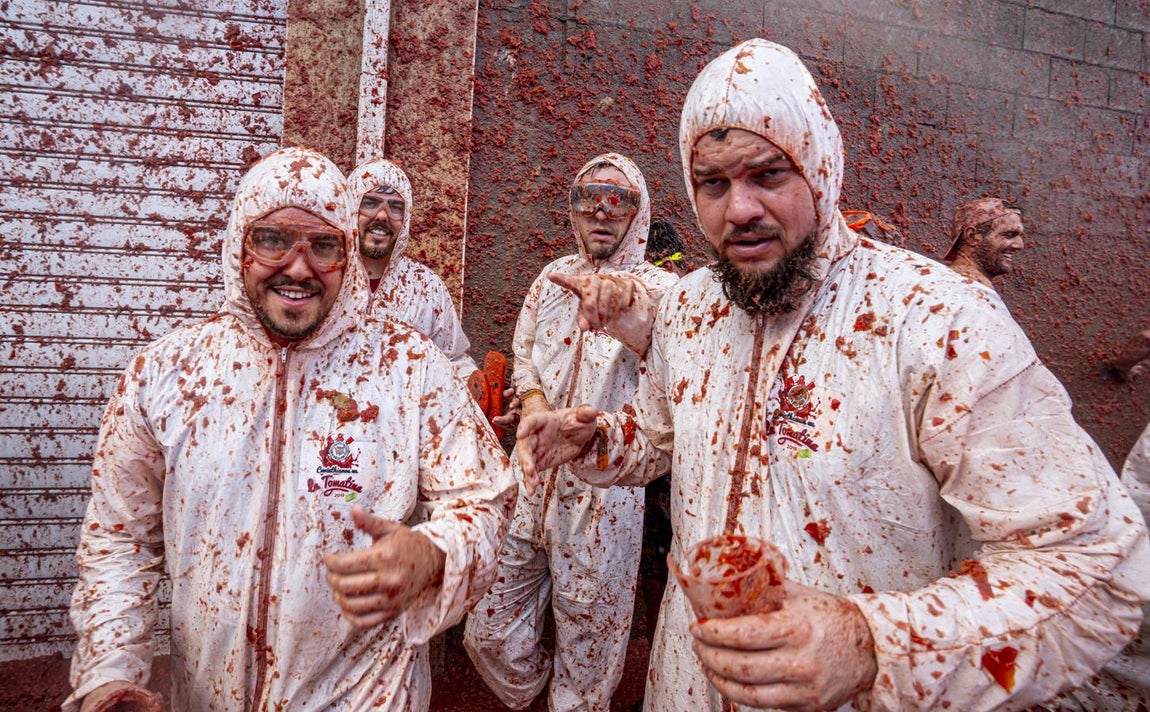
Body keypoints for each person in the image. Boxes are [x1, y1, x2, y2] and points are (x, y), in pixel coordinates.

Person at [515, 39, 1149, 711]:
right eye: (714, 184)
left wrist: (875, 644)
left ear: (820, 168)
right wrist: (597, 442)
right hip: (686, 686)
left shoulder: (937, 322)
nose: (740, 210)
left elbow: (1099, 569)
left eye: (768, 175)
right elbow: (663, 438)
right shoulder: (691, 309)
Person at [65, 147, 517, 712]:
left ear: (346, 256)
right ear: (239, 245)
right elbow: (119, 542)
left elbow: (484, 501)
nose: (299, 268)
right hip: (208, 696)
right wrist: (109, 675)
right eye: (274, 239)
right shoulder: (167, 376)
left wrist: (434, 553)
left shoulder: (408, 367)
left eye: (323, 246)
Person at [462, 153, 678, 711]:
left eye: (620, 200)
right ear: (572, 209)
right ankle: (533, 695)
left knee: (590, 649)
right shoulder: (551, 279)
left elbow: (666, 352)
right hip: (530, 474)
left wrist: (628, 307)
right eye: (589, 198)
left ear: (640, 211)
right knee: (486, 632)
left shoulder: (663, 292)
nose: (602, 212)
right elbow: (526, 354)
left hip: (606, 490)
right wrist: (532, 405)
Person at [348, 158, 478, 377]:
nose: (382, 215)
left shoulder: (425, 287)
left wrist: (479, 393)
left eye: (395, 207)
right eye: (370, 203)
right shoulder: (326, 278)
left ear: (406, 218)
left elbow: (454, 362)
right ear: (350, 207)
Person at [943, 197, 1025, 289]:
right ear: (972, 236)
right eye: (1009, 234)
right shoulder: (974, 290)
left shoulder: (943, 281)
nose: (1020, 245)